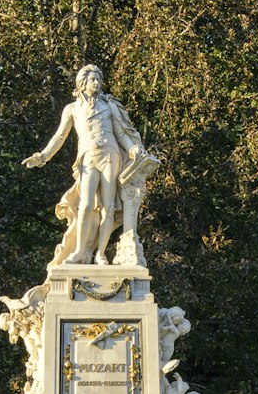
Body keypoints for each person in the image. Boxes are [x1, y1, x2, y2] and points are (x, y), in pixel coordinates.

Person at [23, 65, 158, 265]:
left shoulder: (108, 106)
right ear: (82, 83)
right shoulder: (72, 109)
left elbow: (121, 133)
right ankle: (79, 252)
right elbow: (60, 136)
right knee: (85, 206)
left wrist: (132, 149)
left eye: (98, 79)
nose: (97, 83)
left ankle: (101, 253)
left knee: (108, 207)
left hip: (110, 155)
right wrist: (43, 156)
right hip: (88, 158)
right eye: (92, 79)